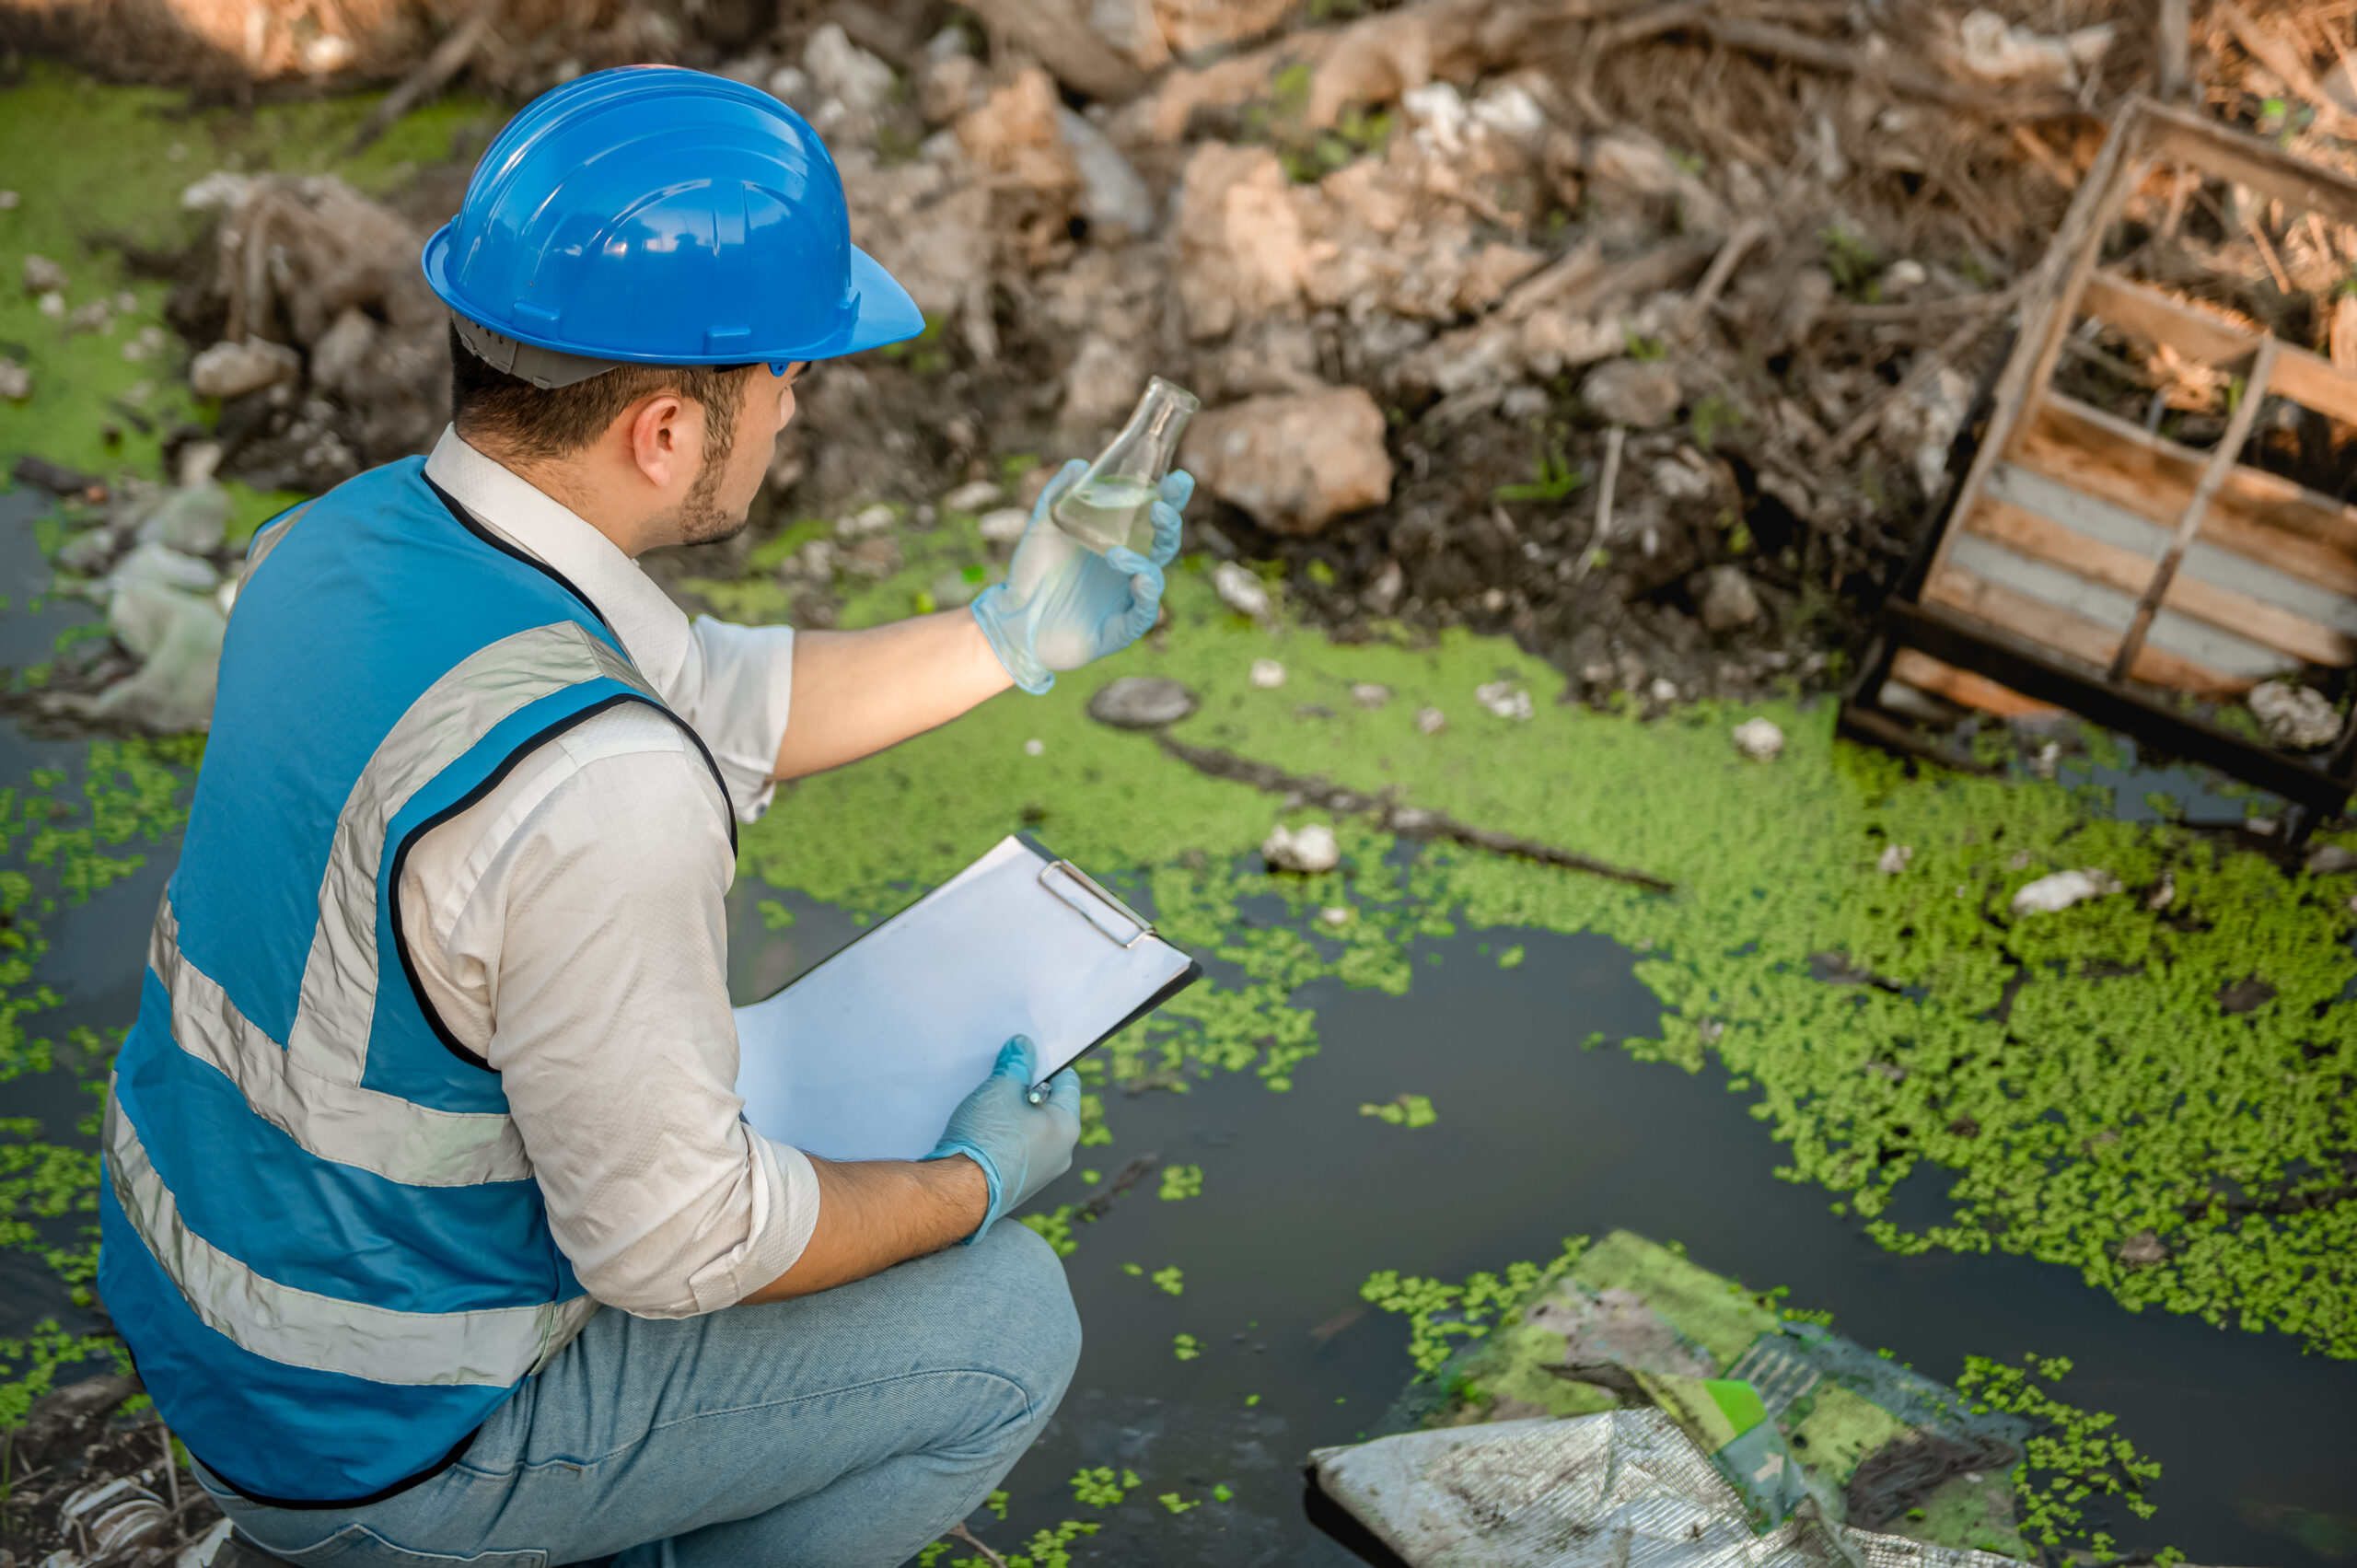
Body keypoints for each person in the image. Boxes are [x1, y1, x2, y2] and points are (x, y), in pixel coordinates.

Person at [96, 65, 1190, 1568]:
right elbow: (678, 1249)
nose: (798, 404)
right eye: (788, 377)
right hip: (376, 1440)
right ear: (669, 431)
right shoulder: (606, 789)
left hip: (208, 1320)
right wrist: (970, 1184)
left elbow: (718, 694)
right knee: (1007, 1321)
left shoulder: (338, 542)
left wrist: (1006, 636)